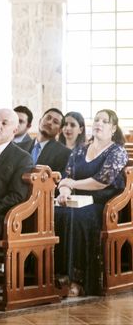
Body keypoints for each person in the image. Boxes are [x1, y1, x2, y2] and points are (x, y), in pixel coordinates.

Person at [55, 109, 128, 297]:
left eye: (105, 121)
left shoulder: (117, 151)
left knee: (79, 216)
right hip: (76, 200)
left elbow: (102, 181)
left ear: (113, 128)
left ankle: (78, 279)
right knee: (54, 213)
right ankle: (58, 275)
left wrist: (73, 184)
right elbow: (66, 177)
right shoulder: (79, 150)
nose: (99, 123)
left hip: (105, 205)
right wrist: (64, 192)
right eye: (97, 119)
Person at [0, 108, 33, 309]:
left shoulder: (21, 158)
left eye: (4, 123)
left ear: (14, 130)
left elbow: (17, 196)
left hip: (1, 215)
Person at [24, 108, 71, 174]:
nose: (49, 122)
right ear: (40, 121)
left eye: (55, 122)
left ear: (60, 130)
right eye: (48, 118)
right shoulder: (20, 146)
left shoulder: (65, 153)